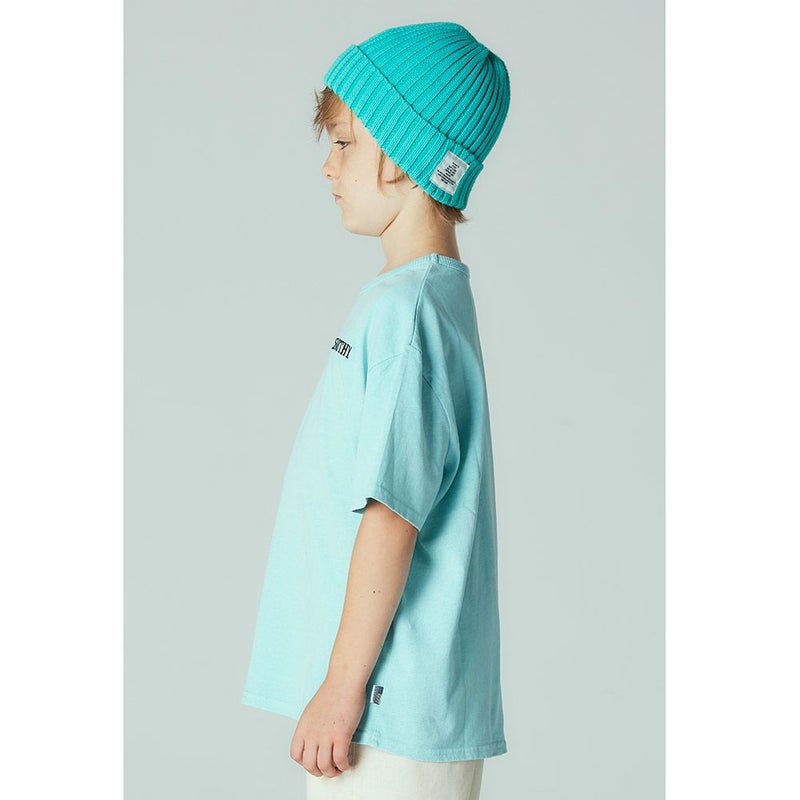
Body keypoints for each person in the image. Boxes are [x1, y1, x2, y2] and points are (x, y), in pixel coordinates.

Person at [241, 21, 512, 800]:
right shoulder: (432, 301)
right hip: (394, 710)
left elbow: (393, 514)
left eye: (343, 143)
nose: (328, 166)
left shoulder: (408, 312)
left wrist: (340, 687)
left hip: (381, 712)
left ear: (402, 152)